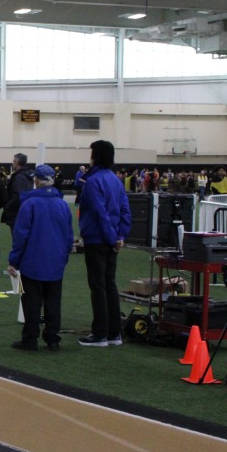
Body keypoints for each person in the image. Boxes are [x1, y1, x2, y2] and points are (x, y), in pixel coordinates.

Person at [7, 165, 74, 352]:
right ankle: (52, 339)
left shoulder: (29, 204)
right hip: (56, 261)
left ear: (36, 180)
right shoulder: (63, 205)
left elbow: (21, 236)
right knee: (53, 303)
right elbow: (69, 236)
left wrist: (14, 260)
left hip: (32, 261)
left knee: (31, 303)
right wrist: (64, 256)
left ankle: (30, 339)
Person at [78, 139, 132, 347]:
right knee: (110, 284)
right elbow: (125, 211)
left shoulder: (93, 181)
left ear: (95, 156)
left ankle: (100, 333)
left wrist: (112, 238)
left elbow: (100, 213)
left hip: (97, 238)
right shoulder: (116, 181)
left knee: (98, 285)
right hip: (112, 239)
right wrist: (120, 237)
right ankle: (114, 332)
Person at [1, 153, 34, 228]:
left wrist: (7, 207)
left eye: (13, 161)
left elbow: (17, 196)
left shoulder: (19, 177)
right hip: (26, 210)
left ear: (16, 162)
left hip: (17, 213)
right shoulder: (29, 175)